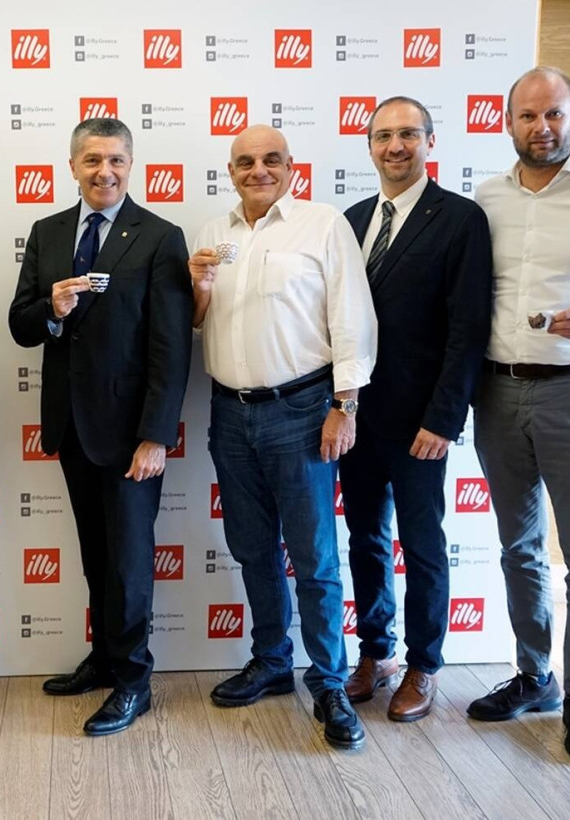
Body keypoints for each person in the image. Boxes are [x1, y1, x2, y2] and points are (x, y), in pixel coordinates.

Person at [188, 124, 377, 750]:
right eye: (245, 162)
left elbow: (353, 318)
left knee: (315, 558)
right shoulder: (212, 234)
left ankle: (329, 681)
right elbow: (195, 323)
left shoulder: (322, 225)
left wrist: (345, 405)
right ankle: (271, 660)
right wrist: (199, 291)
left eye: (271, 159)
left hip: (302, 409)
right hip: (228, 411)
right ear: (230, 171)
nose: (258, 170)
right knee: (252, 548)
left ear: (291, 166)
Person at [9, 118, 192, 736]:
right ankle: (107, 657)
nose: (103, 171)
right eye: (91, 160)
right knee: (96, 555)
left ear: (131, 165)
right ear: (72, 166)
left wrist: (156, 435)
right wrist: (52, 309)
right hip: (71, 428)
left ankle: (134, 681)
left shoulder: (160, 236)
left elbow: (171, 346)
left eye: (115, 159)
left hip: (132, 434)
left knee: (130, 562)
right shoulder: (48, 232)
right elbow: (21, 325)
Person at [340, 98, 493, 721]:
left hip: (421, 423)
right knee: (365, 540)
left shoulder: (460, 219)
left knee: (423, 546)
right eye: (383, 136)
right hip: (356, 417)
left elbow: (468, 329)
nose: (395, 146)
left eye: (408, 134)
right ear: (369, 146)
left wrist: (443, 420)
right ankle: (376, 653)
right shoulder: (352, 220)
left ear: (430, 141)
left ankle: (424, 665)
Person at [468, 67, 570, 755]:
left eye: (554, 113)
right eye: (529, 115)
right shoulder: (486, 199)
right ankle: (536, 677)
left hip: (567, 390)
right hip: (498, 391)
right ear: (507, 122)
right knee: (520, 548)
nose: (543, 127)